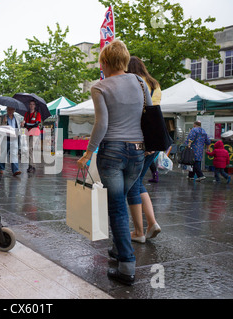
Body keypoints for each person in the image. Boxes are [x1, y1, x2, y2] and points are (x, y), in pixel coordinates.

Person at [77, 39, 148, 286]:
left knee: (117, 207)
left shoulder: (100, 87)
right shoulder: (141, 83)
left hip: (113, 153)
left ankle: (127, 266)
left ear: (105, 63)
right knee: (123, 199)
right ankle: (119, 250)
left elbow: (102, 124)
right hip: (138, 152)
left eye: (101, 63)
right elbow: (150, 116)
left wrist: (88, 153)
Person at [126, 56, 162, 243]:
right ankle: (151, 223)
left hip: (140, 139)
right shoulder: (155, 84)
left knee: (133, 183)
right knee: (138, 181)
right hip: (156, 137)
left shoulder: (133, 84)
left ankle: (139, 232)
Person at [0, 106, 22, 176]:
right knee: (3, 154)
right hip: (5, 138)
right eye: (9, 109)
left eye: (12, 109)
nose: (10, 111)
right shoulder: (2, 117)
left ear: (14, 110)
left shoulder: (17, 117)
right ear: (7, 109)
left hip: (14, 138)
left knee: (14, 154)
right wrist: (4, 122)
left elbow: (18, 127)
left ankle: (15, 170)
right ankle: (1, 168)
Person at [22, 100, 41, 173]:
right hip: (28, 133)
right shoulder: (26, 114)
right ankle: (32, 165)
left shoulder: (37, 114)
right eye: (30, 104)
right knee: (30, 149)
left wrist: (27, 124)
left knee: (30, 148)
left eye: (33, 104)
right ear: (29, 105)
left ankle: (31, 165)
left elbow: (36, 124)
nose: (32, 105)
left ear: (35, 106)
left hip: (35, 133)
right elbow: (25, 124)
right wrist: (25, 124)